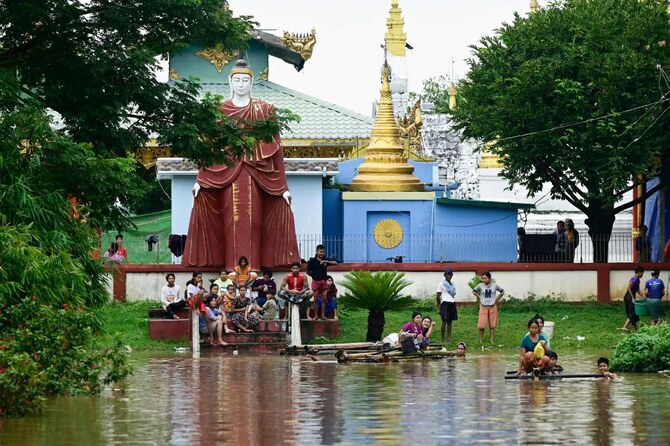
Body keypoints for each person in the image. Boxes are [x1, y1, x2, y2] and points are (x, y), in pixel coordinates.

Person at [182, 58, 300, 270]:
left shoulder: (264, 109)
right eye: (237, 79)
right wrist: (200, 179)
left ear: (252, 82)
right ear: (230, 82)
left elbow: (276, 151)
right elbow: (209, 148)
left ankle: (254, 268)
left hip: (256, 174)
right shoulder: (219, 110)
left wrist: (282, 187)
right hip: (226, 172)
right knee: (229, 221)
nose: (241, 84)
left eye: (245, 79)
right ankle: (229, 268)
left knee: (255, 221)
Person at [472, 272, 505, 345]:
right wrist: (479, 297)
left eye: (485, 278)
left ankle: (491, 340)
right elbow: (473, 291)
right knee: (482, 324)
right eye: (482, 278)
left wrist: (497, 299)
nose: (483, 280)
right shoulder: (480, 285)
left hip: (492, 307)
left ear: (489, 278)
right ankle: (481, 340)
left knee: (492, 324)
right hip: (483, 307)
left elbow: (502, 292)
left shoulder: (495, 285)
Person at [307, 245, 338, 320]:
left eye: (323, 252)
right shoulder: (312, 261)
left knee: (324, 298)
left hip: (324, 282)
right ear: (317, 252)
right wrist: (314, 276)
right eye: (320, 252)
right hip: (316, 281)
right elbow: (308, 271)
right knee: (316, 299)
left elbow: (335, 263)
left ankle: (323, 315)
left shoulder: (325, 260)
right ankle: (316, 316)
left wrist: (326, 261)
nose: (322, 253)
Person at [436, 268, 457, 344]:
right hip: (445, 304)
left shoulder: (453, 284)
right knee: (444, 321)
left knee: (450, 322)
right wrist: (439, 306)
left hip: (452, 303)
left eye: (451, 274)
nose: (450, 275)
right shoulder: (441, 284)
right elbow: (438, 296)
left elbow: (453, 294)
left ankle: (449, 337)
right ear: (444, 275)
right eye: (448, 274)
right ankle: (442, 338)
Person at [621, 266, 644, 332]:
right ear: (639, 272)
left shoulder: (638, 279)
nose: (642, 275)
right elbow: (628, 288)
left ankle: (635, 328)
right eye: (642, 273)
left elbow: (637, 289)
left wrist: (642, 295)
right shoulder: (634, 278)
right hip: (629, 296)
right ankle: (625, 326)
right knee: (633, 312)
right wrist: (632, 297)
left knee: (635, 312)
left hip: (631, 296)